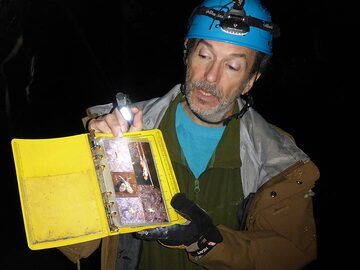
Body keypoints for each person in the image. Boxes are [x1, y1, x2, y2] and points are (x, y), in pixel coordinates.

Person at [59, 0, 320, 269]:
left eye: (232, 67)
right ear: (187, 55)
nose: (210, 76)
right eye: (204, 56)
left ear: (250, 81)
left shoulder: (280, 160)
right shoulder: (127, 131)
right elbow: (72, 244)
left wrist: (205, 241)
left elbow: (289, 254)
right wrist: (100, 159)